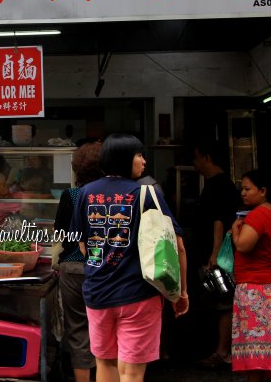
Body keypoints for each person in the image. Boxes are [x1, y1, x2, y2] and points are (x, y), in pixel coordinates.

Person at [71, 133, 189, 382]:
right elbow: (177, 245)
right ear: (123, 158)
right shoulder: (146, 194)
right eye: (139, 155)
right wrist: (181, 292)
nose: (144, 161)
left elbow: (82, 245)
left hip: (97, 294)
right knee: (132, 372)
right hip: (139, 295)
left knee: (105, 364)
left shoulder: (84, 194)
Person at [230, 170, 271, 382]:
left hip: (256, 289)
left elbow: (243, 245)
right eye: (242, 190)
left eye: (248, 189)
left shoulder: (258, 214)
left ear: (263, 191)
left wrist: (235, 231)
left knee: (256, 354)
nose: (243, 194)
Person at [53, 141, 103, 382]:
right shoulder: (111, 197)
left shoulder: (71, 195)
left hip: (73, 268)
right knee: (105, 329)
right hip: (105, 268)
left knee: (78, 331)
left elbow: (61, 234)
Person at [193, 141, 240, 369]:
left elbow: (219, 220)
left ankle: (223, 351)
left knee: (223, 302)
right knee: (218, 302)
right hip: (215, 254)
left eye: (197, 157)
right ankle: (220, 349)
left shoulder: (218, 185)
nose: (195, 163)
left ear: (207, 158)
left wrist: (214, 253)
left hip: (217, 256)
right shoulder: (217, 184)